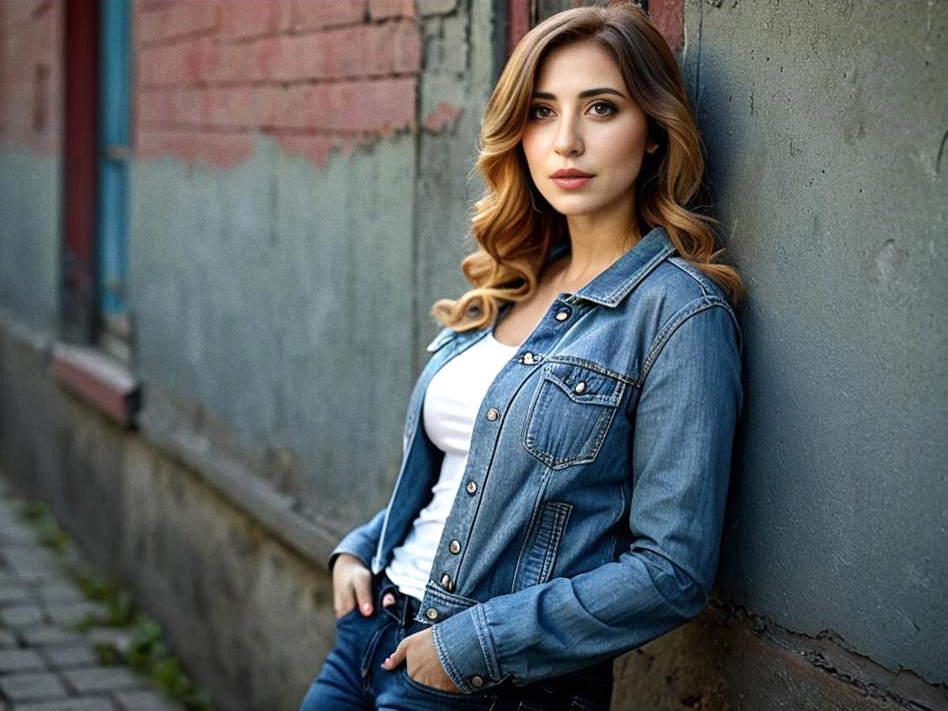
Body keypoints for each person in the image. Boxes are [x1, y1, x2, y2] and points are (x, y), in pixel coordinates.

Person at [297, 1, 744, 709]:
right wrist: (360, 545)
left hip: (488, 679)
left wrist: (470, 647)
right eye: (541, 112)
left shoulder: (678, 312)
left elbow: (672, 571)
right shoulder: (513, 282)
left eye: (600, 109)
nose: (565, 141)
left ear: (654, 134)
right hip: (371, 627)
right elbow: (467, 476)